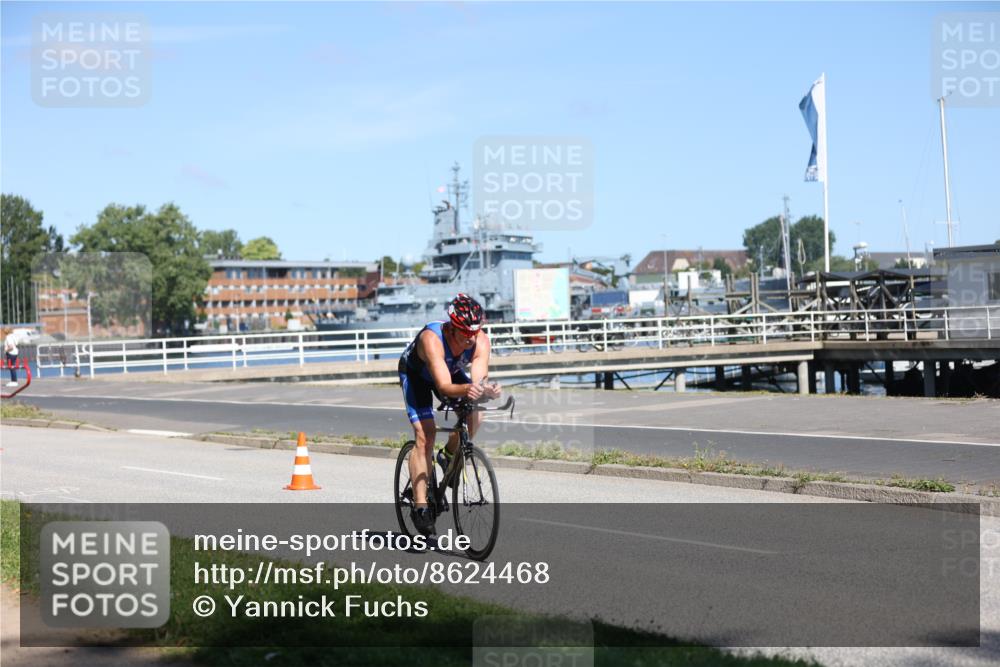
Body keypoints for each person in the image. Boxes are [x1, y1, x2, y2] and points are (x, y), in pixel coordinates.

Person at [398, 294, 501, 534]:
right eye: (465, 332)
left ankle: (448, 455)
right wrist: (468, 389)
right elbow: (444, 387)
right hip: (417, 377)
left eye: (475, 331)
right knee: (425, 436)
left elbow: (478, 380)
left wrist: (486, 389)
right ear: (452, 327)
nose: (471, 338)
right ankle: (420, 506)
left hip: (450, 372)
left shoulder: (480, 340)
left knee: (476, 413)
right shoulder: (431, 339)